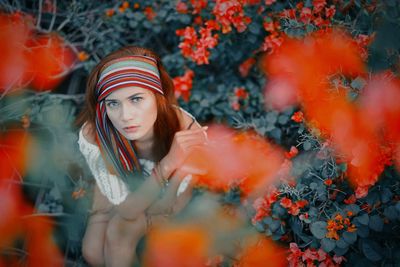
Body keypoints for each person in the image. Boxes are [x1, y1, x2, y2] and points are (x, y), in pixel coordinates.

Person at [75, 46, 208, 267]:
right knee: (92, 252)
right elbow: (116, 200)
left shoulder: (184, 130)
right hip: (115, 196)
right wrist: (168, 164)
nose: (126, 116)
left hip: (164, 203)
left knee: (121, 229)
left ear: (157, 97)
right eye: (113, 103)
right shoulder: (94, 133)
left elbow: (170, 206)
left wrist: (171, 163)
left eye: (136, 99)